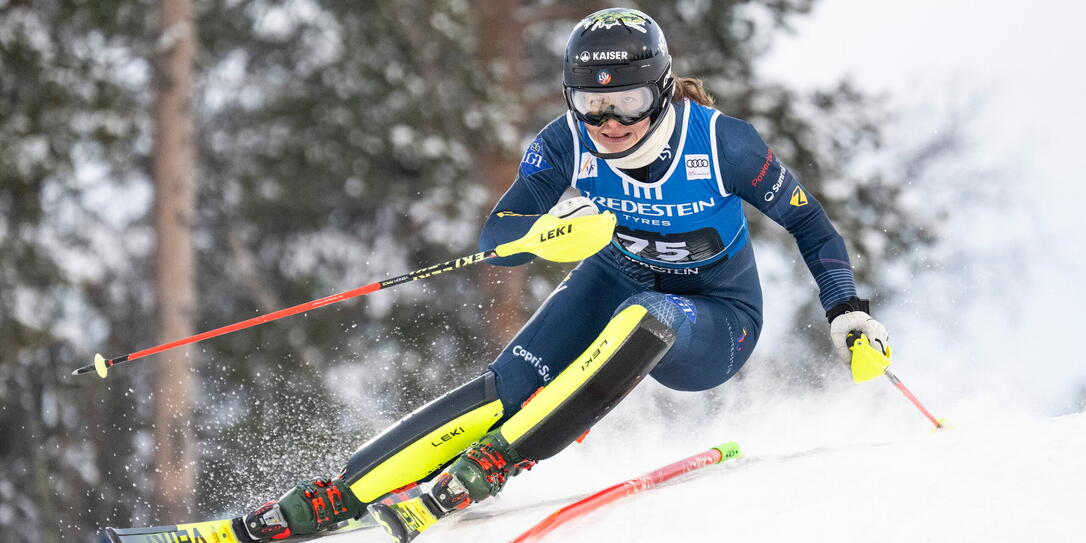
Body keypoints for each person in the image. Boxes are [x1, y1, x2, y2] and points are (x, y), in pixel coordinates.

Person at [239, 8, 890, 543]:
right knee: (505, 386)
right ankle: (335, 495)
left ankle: (498, 460)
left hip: (715, 320)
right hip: (612, 278)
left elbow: (812, 225)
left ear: (661, 90)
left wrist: (847, 311)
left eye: (628, 103)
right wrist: (539, 239)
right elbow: (499, 235)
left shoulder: (722, 143)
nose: (609, 123)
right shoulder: (564, 142)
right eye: (591, 103)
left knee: (647, 315)